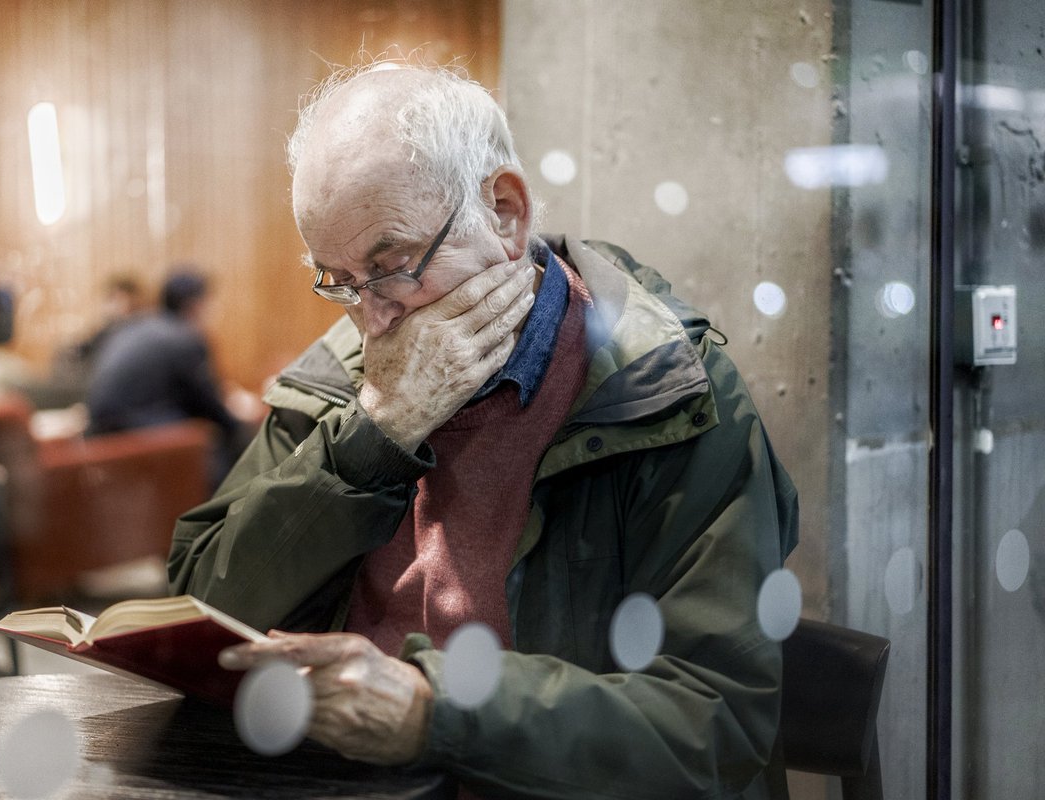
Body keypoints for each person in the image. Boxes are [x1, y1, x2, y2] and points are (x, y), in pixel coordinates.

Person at [168, 62, 798, 799]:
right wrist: (378, 428)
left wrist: (439, 714)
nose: (372, 320)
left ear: (503, 212)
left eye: (392, 265)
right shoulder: (343, 373)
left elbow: (714, 723)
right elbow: (204, 609)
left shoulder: (664, 390)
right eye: (338, 280)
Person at [86, 268, 254, 486]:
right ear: (196, 304)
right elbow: (211, 408)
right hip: (137, 435)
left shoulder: (134, 327)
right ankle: (220, 517)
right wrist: (243, 423)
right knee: (229, 441)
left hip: (99, 436)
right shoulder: (184, 337)